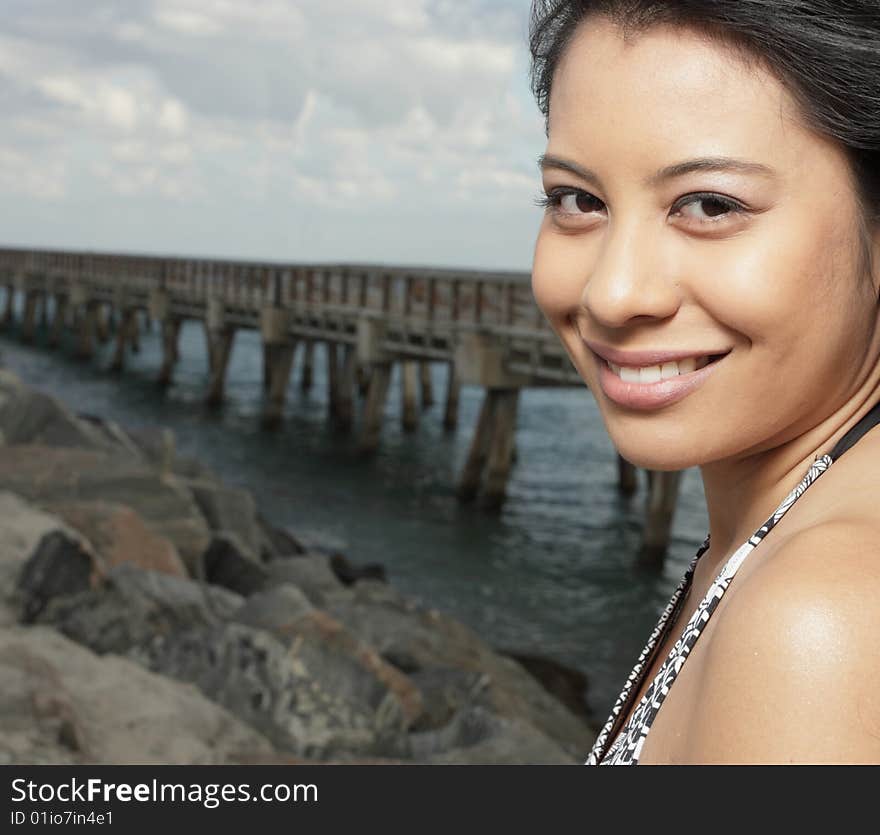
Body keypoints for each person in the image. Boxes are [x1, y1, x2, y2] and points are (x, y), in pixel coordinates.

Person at [528, 0, 880, 764]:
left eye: (711, 205)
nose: (612, 295)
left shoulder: (818, 623)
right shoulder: (792, 540)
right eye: (577, 200)